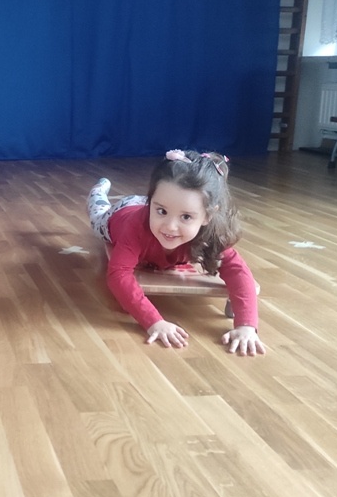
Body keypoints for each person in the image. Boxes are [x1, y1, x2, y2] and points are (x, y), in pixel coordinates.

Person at [87, 149, 265, 356]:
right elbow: (118, 275)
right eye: (162, 211)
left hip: (152, 204)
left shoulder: (211, 232)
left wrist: (246, 325)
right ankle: (99, 190)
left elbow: (238, 271)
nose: (170, 227)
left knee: (169, 208)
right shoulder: (134, 227)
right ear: (151, 202)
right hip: (122, 212)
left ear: (208, 216)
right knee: (97, 211)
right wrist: (154, 321)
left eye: (186, 217)